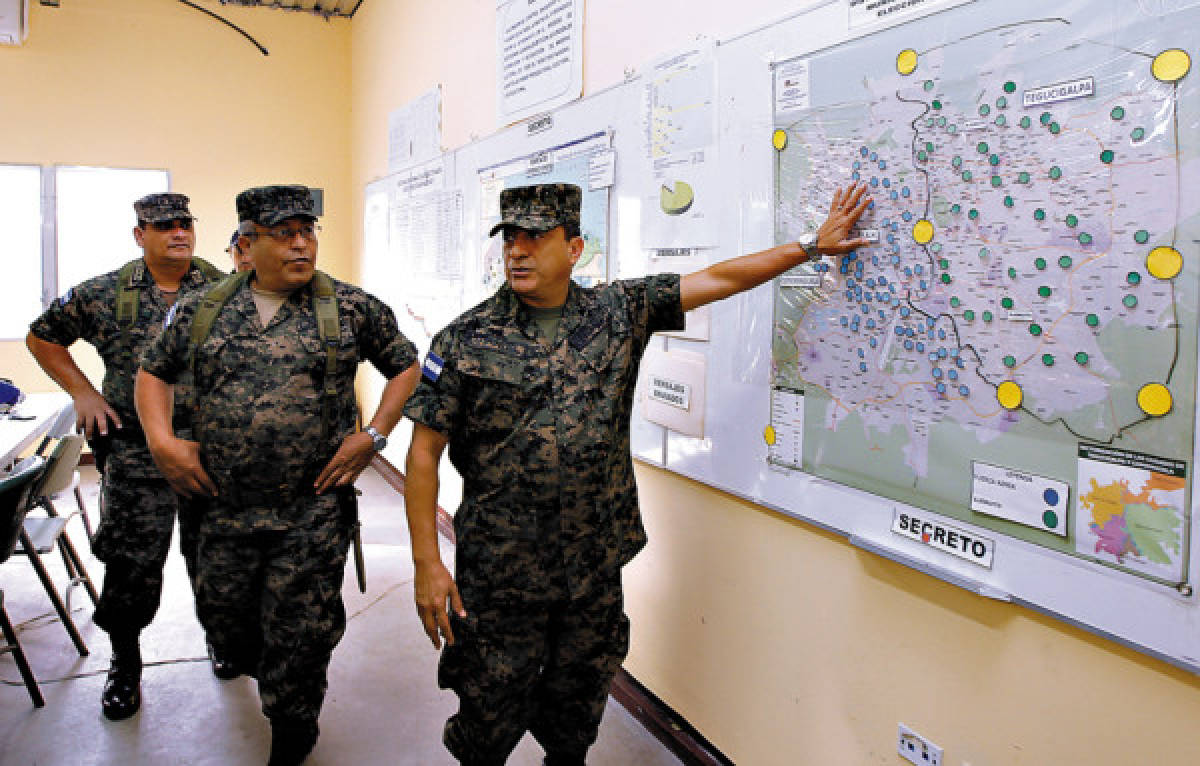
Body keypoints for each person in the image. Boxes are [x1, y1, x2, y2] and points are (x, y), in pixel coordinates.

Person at [403, 181, 871, 765]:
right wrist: (428, 562)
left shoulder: (618, 313)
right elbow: (422, 452)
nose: (517, 251)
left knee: (575, 718)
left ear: (574, 248)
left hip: (592, 570)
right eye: (510, 239)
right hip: (502, 573)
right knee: (487, 717)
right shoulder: (466, 339)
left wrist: (808, 246)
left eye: (534, 237)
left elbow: (720, 279)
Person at [135, 184, 420, 766]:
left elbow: (407, 367)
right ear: (247, 242)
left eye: (307, 231)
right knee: (228, 629)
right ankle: (256, 663)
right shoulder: (203, 308)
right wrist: (162, 442)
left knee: (300, 638)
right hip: (222, 508)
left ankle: (292, 732)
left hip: (309, 511)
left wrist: (375, 435)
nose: (301, 243)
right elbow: (152, 373)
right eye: (283, 233)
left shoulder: (350, 308)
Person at [25, 192, 229, 721]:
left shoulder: (224, 289)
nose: (178, 233)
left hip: (211, 451)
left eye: (185, 223)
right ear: (140, 236)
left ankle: (223, 639)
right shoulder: (105, 292)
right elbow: (42, 337)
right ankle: (125, 661)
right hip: (137, 453)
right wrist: (83, 393)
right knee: (132, 564)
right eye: (164, 227)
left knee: (217, 557)